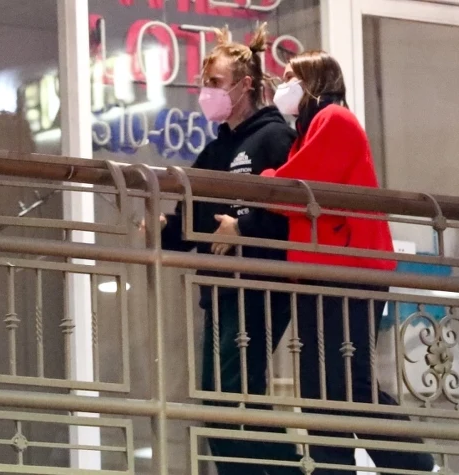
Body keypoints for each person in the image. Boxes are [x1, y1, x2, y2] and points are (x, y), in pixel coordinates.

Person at [216, 50, 435, 473]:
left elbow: (295, 188)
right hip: (321, 271)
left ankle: (417, 466)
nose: (282, 86)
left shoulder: (335, 120)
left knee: (348, 382)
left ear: (314, 81)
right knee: (319, 389)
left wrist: (267, 178)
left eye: (290, 77)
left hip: (349, 269)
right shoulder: (309, 130)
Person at [146, 24, 302, 475]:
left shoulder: (274, 138)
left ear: (245, 85)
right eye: (204, 83)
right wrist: (163, 229)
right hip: (221, 291)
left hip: (258, 287)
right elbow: (193, 217)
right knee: (221, 404)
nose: (207, 92)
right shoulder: (217, 150)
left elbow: (292, 211)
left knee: (232, 400)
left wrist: (243, 226)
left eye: (215, 82)